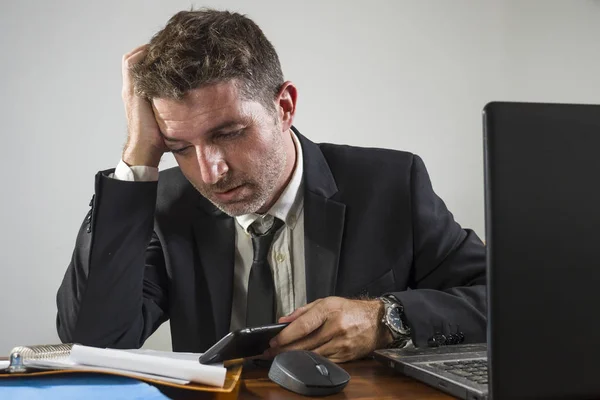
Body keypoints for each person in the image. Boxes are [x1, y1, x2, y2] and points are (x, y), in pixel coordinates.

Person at [56, 9, 486, 363]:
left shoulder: (390, 184)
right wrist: (138, 157)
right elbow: (95, 341)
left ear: (284, 106)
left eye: (228, 133)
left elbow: (503, 302)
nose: (210, 172)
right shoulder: (166, 205)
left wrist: (386, 319)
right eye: (180, 147)